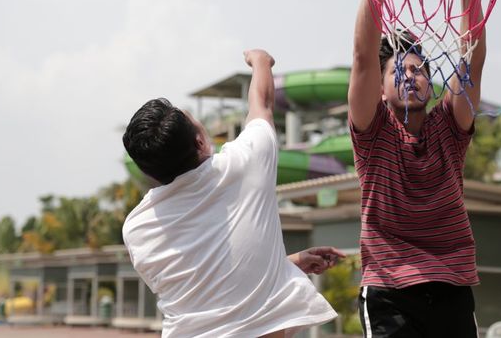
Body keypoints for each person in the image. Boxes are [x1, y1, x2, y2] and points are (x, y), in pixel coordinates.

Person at [122, 49, 342, 338]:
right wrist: (261, 61)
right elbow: (261, 103)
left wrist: (287, 264)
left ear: (149, 172)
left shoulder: (137, 228)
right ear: (200, 141)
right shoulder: (243, 164)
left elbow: (205, 291)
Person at [348, 0, 485, 337]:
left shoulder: (450, 125)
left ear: (430, 80)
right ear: (380, 84)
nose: (410, 75)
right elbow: (362, 57)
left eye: (418, 69)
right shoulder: (373, 130)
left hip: (451, 283)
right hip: (389, 288)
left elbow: (472, 60)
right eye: (399, 70)